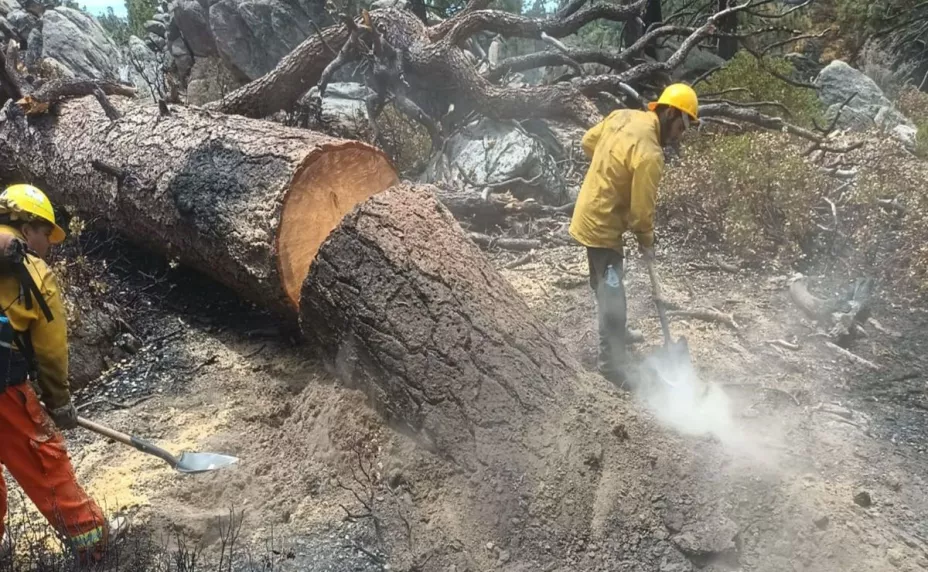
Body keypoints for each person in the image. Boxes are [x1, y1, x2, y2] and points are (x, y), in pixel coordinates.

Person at [0, 184, 126, 563]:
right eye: (46, 237)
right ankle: (98, 550)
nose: (47, 247)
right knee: (45, 459)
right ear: (29, 227)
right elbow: (51, 351)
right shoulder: (31, 271)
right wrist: (59, 403)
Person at [568, 84, 699, 385]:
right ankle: (612, 366)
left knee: (603, 281)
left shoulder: (623, 116)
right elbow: (642, 214)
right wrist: (647, 240)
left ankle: (618, 331)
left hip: (588, 211)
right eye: (683, 125)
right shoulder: (651, 155)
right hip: (602, 226)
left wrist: (610, 173)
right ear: (669, 113)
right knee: (613, 293)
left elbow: (589, 142)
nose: (681, 134)